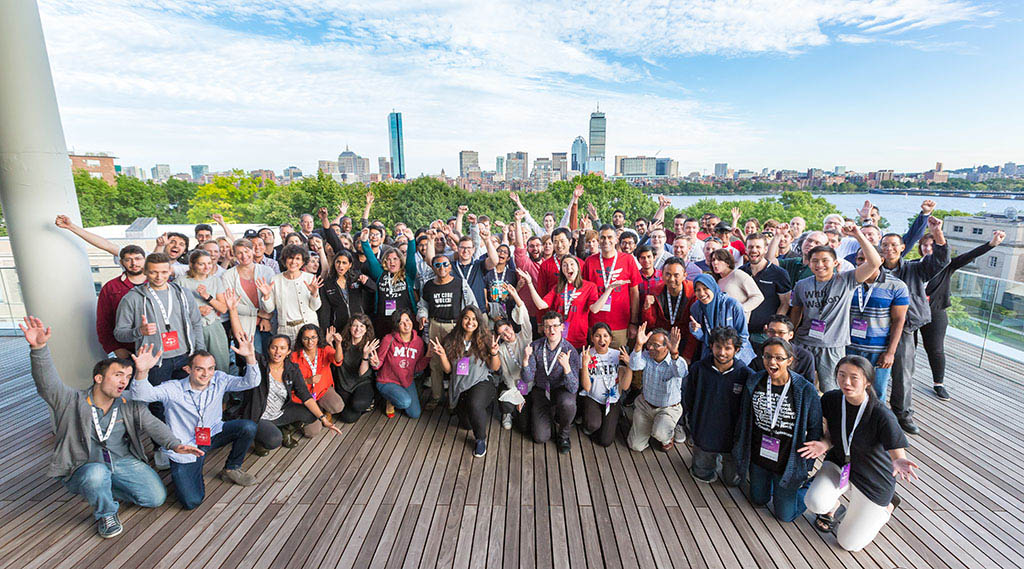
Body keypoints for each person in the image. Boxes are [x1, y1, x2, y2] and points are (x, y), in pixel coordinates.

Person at [22, 316, 202, 538]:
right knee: (96, 474)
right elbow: (47, 384)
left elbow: (153, 424)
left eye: (127, 377)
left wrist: (175, 445)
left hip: (120, 462)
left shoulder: (128, 404)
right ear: (98, 378)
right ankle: (105, 512)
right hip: (84, 465)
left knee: (154, 498)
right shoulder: (71, 401)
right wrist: (38, 348)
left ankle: (100, 489)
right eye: (118, 375)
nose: (124, 381)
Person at [128, 336, 262, 510]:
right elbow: (141, 395)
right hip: (185, 446)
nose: (206, 374)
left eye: (210, 368)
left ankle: (231, 468)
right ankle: (190, 470)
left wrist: (250, 358)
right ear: (188, 369)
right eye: (199, 369)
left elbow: (251, 382)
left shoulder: (219, 379)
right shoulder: (173, 388)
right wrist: (141, 372)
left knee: (248, 427)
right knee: (191, 501)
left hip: (213, 433)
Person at [803, 356, 918, 552]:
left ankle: (888, 506)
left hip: (873, 476)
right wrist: (824, 444)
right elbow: (831, 434)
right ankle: (832, 509)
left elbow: (897, 453)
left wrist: (899, 462)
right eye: (841, 375)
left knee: (848, 543)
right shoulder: (831, 399)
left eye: (854, 377)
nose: (846, 382)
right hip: (840, 463)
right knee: (814, 501)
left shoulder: (881, 413)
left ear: (868, 381)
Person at [733, 337, 822, 522]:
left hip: (787, 461)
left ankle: (812, 484)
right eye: (767, 356)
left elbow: (815, 428)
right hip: (760, 457)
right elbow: (744, 419)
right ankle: (773, 485)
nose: (772, 362)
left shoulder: (805, 389)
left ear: (790, 360)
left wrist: (807, 464)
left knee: (785, 516)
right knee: (758, 500)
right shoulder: (754, 381)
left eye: (779, 358)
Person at [114, 252, 205, 429]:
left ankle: (184, 438)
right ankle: (161, 446)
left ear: (170, 271)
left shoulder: (183, 294)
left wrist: (199, 353)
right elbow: (119, 333)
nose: (159, 276)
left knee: (187, 400)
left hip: (185, 357)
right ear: (146, 272)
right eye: (154, 272)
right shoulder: (132, 298)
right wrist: (139, 331)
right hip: (155, 362)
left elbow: (196, 324)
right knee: (158, 405)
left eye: (163, 272)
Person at [788, 224, 882, 392]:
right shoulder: (802, 285)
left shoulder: (846, 280)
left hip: (832, 345)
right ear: (809, 263)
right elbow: (796, 311)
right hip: (804, 342)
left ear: (835, 262)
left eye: (825, 260)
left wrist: (858, 235)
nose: (820, 265)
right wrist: (790, 336)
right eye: (815, 261)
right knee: (798, 386)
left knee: (831, 389)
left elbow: (874, 263)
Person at [879, 216, 948, 434]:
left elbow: (940, 261)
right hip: (873, 326)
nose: (889, 249)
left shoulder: (915, 269)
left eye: (893, 245)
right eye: (884, 245)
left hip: (904, 328)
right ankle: (872, 412)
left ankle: (903, 414)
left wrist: (937, 233)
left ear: (902, 248)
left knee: (902, 373)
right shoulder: (872, 269)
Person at [918, 229, 1005, 400]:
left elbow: (969, 255)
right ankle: (901, 377)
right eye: (925, 245)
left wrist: (991, 244)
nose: (928, 249)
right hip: (912, 313)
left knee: (935, 349)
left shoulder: (947, 265)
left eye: (931, 246)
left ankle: (939, 384)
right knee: (907, 348)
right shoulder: (913, 265)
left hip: (935, 313)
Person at [234, 333, 342, 454]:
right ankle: (259, 440)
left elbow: (305, 396)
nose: (277, 352)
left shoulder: (292, 369)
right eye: (274, 347)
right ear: (268, 349)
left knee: (311, 414)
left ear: (288, 351)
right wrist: (233, 312)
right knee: (274, 440)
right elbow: (239, 339)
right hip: (259, 415)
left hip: (280, 412)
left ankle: (286, 429)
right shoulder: (259, 363)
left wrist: (323, 419)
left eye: (282, 348)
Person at [684, 327, 754, 485]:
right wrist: (692, 425)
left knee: (733, 481)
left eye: (728, 348)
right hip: (704, 433)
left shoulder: (745, 374)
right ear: (711, 346)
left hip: (732, 438)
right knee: (702, 475)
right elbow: (689, 398)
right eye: (718, 347)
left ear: (736, 350)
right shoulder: (698, 369)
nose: (722, 352)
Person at [428, 306, 500, 457]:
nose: (470, 322)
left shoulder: (486, 338)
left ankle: (481, 440)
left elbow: (495, 367)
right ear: (461, 320)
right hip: (460, 385)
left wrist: (494, 353)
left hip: (481, 381)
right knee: (466, 424)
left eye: (474, 319)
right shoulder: (451, 339)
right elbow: (448, 370)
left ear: (478, 322)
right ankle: (478, 408)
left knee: (475, 404)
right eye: (467, 318)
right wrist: (442, 355)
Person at [519, 255, 621, 350]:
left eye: (572, 264)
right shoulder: (557, 288)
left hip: (578, 338)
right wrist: (529, 283)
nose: (568, 268)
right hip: (558, 339)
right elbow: (541, 305)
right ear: (562, 270)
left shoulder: (589, 286)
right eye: (565, 265)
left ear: (578, 267)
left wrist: (609, 289)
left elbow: (594, 309)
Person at [846, 247, 909, 400]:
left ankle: (874, 424)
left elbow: (899, 320)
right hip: (847, 345)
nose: (864, 262)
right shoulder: (848, 281)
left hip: (877, 350)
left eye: (868, 258)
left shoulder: (897, 286)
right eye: (860, 259)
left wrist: (890, 353)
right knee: (847, 389)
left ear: (880, 260)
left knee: (876, 393)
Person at [417, 254, 478, 409]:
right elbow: (423, 305)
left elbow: (472, 304)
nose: (442, 268)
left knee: (457, 362)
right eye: (437, 265)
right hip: (435, 325)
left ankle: (455, 398)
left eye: (445, 264)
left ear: (450, 266)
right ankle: (437, 396)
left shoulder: (460, 283)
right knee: (435, 363)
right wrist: (422, 315)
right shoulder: (428, 285)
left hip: (455, 327)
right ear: (433, 267)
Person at [521, 312, 582, 453]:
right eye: (547, 327)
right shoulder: (535, 347)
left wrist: (566, 367)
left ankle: (564, 435)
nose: (551, 330)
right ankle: (549, 413)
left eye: (555, 326)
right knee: (540, 437)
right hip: (542, 391)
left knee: (568, 403)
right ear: (543, 329)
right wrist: (525, 361)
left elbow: (573, 388)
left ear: (562, 327)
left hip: (562, 390)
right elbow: (527, 379)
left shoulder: (570, 350)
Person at [627, 323, 687, 452]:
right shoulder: (646, 355)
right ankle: (652, 428)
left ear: (667, 347)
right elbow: (634, 365)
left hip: (668, 409)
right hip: (646, 406)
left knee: (660, 433)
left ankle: (667, 437)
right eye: (649, 344)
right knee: (635, 446)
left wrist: (675, 353)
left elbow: (682, 372)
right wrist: (638, 344)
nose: (651, 348)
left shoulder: (676, 361)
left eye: (656, 345)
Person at [581, 224, 641, 349]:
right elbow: (585, 294)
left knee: (618, 362)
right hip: (595, 323)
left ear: (616, 240)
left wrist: (634, 322)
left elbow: (634, 293)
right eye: (602, 238)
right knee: (597, 363)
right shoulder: (590, 261)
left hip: (620, 324)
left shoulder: (628, 260)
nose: (606, 241)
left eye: (609, 237)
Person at [640, 257, 700, 365]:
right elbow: (651, 324)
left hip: (685, 340)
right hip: (662, 341)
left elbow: (694, 330)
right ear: (662, 275)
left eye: (676, 275)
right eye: (668, 274)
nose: (672, 279)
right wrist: (647, 308)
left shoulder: (693, 294)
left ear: (684, 275)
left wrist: (687, 355)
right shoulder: (655, 291)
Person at [257, 244, 323, 341]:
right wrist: (266, 296)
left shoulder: (309, 278)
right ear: (285, 260)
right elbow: (269, 309)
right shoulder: (276, 280)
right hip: (286, 329)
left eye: (297, 259)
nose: (293, 262)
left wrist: (314, 294)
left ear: (302, 262)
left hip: (309, 327)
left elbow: (315, 307)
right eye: (290, 258)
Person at [579, 323, 632, 447]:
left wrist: (630, 366)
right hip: (593, 397)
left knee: (605, 441)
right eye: (597, 336)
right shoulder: (586, 354)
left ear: (611, 339)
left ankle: (610, 420)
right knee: (592, 425)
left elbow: (625, 387)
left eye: (605, 336)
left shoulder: (618, 355)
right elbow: (586, 387)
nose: (601, 340)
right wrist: (585, 365)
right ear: (592, 338)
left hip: (612, 399)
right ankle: (589, 421)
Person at [289, 324, 346, 437]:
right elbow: (290, 383)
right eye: (306, 338)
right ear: (301, 340)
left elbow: (338, 360)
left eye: (313, 337)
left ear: (318, 337)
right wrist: (307, 381)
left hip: (322, 390)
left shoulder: (324, 350)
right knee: (312, 432)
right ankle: (303, 418)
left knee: (338, 406)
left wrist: (338, 344)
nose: (310, 342)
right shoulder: (294, 357)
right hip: (304, 396)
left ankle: (321, 409)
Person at [222, 239, 277, 353]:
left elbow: (271, 306)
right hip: (243, 325)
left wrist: (266, 301)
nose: (244, 256)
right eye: (239, 253)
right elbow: (232, 305)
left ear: (252, 251)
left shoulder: (267, 271)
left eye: (247, 251)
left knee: (270, 357)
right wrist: (257, 312)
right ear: (235, 255)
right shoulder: (228, 276)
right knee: (253, 359)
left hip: (269, 323)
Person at [178, 250, 231, 372]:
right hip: (191, 328)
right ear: (192, 264)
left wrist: (207, 296)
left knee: (221, 363)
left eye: (209, 263)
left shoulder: (215, 281)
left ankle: (223, 390)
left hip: (213, 326)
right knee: (196, 364)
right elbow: (175, 310)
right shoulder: (181, 281)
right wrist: (196, 310)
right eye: (201, 264)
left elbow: (223, 308)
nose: (207, 267)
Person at [738, 232, 792, 351]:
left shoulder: (779, 273)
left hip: (764, 334)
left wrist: (773, 327)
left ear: (765, 249)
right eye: (750, 247)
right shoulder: (740, 272)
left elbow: (785, 303)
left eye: (758, 247)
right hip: (742, 331)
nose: (754, 250)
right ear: (746, 249)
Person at [361, 228, 419, 335]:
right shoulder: (380, 274)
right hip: (383, 321)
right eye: (389, 259)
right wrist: (364, 241)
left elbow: (411, 259)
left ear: (400, 261)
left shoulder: (407, 274)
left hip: (405, 321)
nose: (392, 262)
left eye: (395, 259)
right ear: (385, 262)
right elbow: (371, 258)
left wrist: (411, 240)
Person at [374, 310, 431, 419]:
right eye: (401, 323)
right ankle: (390, 400)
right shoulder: (388, 339)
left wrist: (428, 356)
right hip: (387, 381)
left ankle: (397, 395)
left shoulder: (418, 342)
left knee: (415, 414)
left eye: (407, 320)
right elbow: (378, 363)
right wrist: (375, 363)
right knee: (404, 402)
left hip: (406, 381)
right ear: (397, 326)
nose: (406, 324)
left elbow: (417, 368)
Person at [688, 274, 755, 365]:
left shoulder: (732, 305)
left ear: (713, 287)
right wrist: (696, 331)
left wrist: (733, 359)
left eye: (705, 288)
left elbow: (743, 335)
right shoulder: (696, 308)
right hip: (713, 357)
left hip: (738, 357)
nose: (702, 293)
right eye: (698, 290)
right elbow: (705, 339)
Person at [494, 284, 533, 432]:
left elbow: (525, 319)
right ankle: (507, 413)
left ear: (511, 326)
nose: (507, 334)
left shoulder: (524, 337)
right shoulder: (502, 349)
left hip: (529, 382)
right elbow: (506, 374)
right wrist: (516, 395)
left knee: (523, 426)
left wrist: (516, 296)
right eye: (502, 334)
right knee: (507, 403)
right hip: (513, 386)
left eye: (507, 329)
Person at [334, 315, 379, 424]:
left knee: (356, 407)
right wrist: (335, 344)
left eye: (361, 326)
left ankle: (368, 401)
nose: (358, 329)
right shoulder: (342, 342)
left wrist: (365, 355)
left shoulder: (369, 346)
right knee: (345, 415)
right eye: (354, 325)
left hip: (362, 382)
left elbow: (362, 374)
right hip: (344, 383)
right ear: (349, 327)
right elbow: (337, 361)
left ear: (366, 330)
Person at [318, 249, 375, 334]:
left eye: (344, 263)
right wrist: (325, 333)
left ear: (350, 265)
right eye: (338, 262)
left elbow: (373, 289)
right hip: (339, 328)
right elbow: (324, 312)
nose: (340, 266)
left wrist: (367, 282)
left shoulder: (356, 278)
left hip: (359, 326)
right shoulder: (327, 284)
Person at [749, 315, 817, 386]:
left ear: (791, 335)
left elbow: (809, 385)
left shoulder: (805, 356)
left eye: (781, 333)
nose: (776, 336)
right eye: (771, 332)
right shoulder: (759, 352)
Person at [710, 248, 764, 323]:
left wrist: (741, 309)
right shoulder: (717, 280)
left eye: (719, 260)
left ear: (727, 262)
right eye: (713, 260)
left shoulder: (738, 274)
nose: (715, 263)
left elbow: (758, 296)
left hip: (738, 323)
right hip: (721, 324)